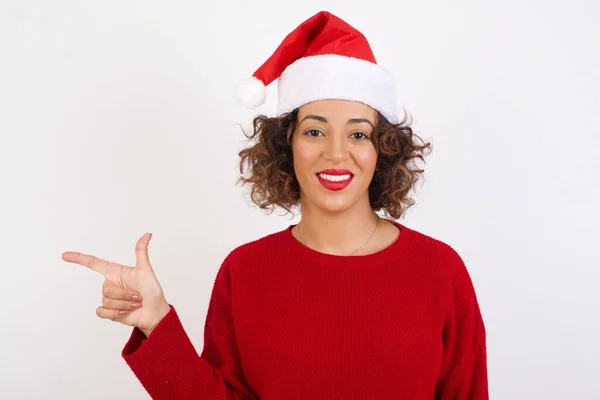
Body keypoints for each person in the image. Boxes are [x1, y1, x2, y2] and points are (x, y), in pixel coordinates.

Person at [62, 10, 488, 399]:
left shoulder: (439, 270)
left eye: (358, 134)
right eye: (315, 132)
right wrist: (155, 322)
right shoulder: (245, 272)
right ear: (287, 144)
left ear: (384, 150)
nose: (336, 153)